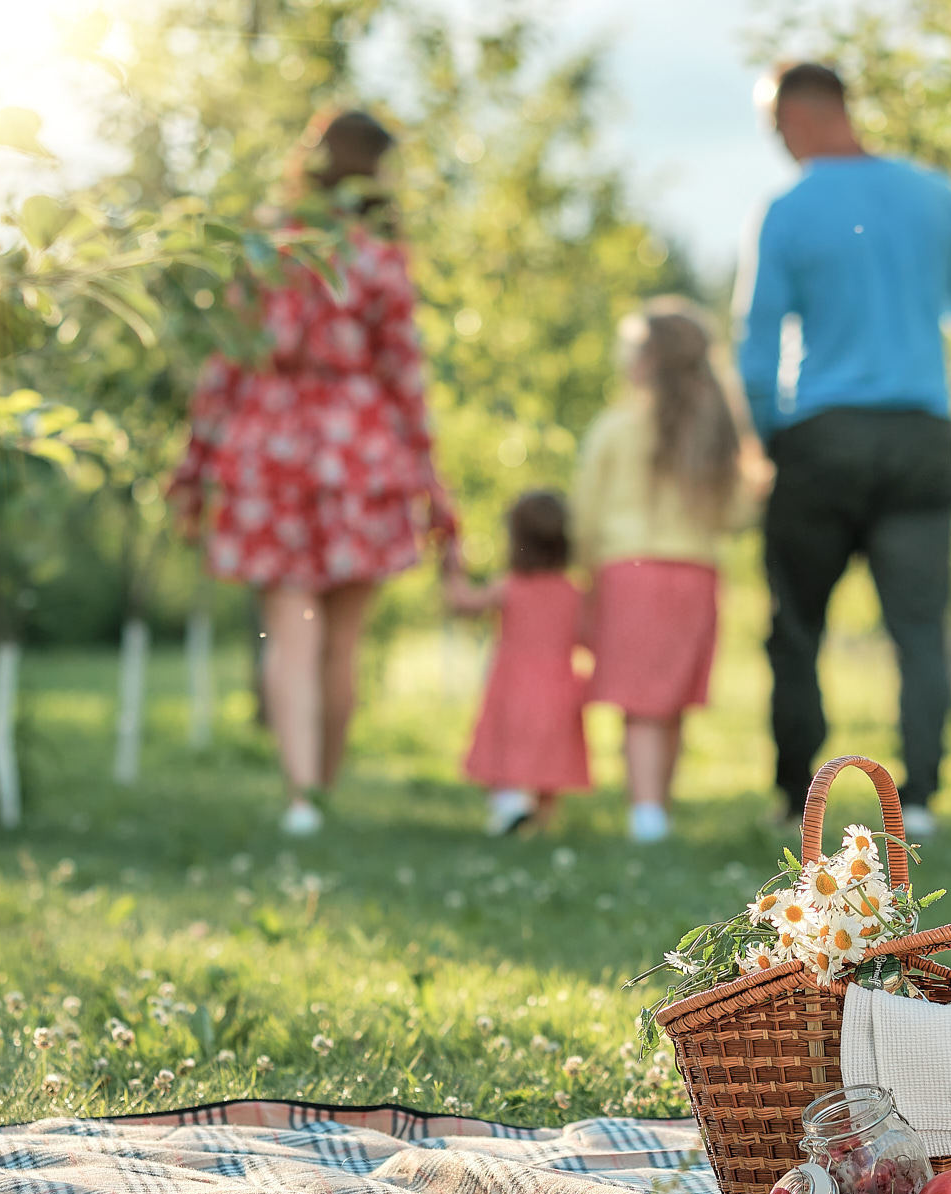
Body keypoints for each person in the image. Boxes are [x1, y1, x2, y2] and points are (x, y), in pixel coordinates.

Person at [171, 109, 457, 837]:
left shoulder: (265, 249)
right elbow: (406, 380)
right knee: (341, 642)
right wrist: (432, 486)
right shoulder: (380, 258)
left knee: (290, 634)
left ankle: (302, 799)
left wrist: (191, 471)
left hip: (267, 448)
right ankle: (320, 789)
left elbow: (223, 367)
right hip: (360, 449)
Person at [735, 61, 951, 838]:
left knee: (797, 625)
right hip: (919, 434)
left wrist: (765, 438)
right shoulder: (937, 195)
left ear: (797, 119)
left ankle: (796, 799)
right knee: (919, 628)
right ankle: (916, 801)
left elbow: (754, 350)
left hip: (822, 434)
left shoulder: (786, 209)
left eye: (775, 130)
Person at [573, 297, 750, 845]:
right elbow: (736, 514)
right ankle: (659, 807)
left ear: (646, 361)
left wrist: (585, 579)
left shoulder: (616, 427)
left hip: (631, 573)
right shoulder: (716, 433)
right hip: (696, 575)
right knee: (670, 702)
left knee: (640, 705)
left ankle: (646, 813)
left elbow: (586, 511)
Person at [445, 491, 590, 836]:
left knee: (501, 752)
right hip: (559, 688)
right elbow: (590, 637)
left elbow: (464, 603)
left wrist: (452, 567)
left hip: (512, 685)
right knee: (551, 759)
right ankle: (540, 822)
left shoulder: (508, 587)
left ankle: (508, 806)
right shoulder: (574, 593)